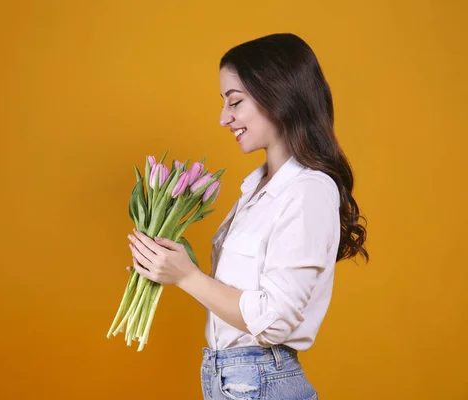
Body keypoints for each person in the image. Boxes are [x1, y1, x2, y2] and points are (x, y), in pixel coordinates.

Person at [127, 33, 368, 400]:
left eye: (234, 102)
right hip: (232, 379)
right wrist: (165, 264)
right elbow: (244, 297)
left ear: (278, 95)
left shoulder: (308, 190)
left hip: (259, 384)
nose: (224, 118)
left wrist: (187, 276)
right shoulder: (256, 188)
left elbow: (274, 319)